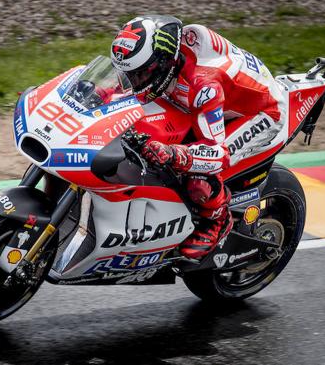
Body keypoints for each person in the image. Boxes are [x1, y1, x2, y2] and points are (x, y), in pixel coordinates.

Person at [109, 15, 287, 260]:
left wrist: (174, 154)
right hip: (212, 98)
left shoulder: (203, 86)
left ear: (163, 63)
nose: (134, 81)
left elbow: (216, 154)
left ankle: (217, 220)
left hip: (262, 112)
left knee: (197, 174)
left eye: (140, 74)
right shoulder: (165, 52)